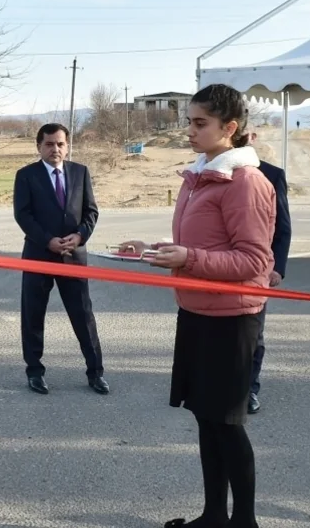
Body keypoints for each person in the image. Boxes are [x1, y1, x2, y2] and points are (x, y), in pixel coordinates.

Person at [120, 84, 275, 528]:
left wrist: (189, 258)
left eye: (199, 123)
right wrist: (154, 249)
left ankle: (244, 521)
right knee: (207, 420)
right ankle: (213, 516)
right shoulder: (200, 174)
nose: (189, 130)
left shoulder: (245, 181)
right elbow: (199, 245)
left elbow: (254, 261)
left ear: (230, 128)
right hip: (197, 311)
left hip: (231, 320)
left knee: (227, 424)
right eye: (189, 120)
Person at [13, 123, 108, 396]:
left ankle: (96, 373)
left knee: (83, 316)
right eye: (49, 144)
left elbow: (91, 212)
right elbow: (23, 215)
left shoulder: (80, 172)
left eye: (60, 144)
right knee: (33, 316)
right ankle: (35, 372)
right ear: (39, 146)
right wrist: (47, 241)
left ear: (67, 145)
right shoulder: (26, 176)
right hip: (38, 257)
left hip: (74, 257)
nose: (55, 149)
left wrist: (79, 236)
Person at [246, 127, 292, 414]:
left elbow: (283, 228)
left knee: (254, 334)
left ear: (253, 137)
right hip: (219, 269)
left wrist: (279, 268)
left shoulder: (271, 175)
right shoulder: (210, 171)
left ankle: (250, 388)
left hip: (258, 271)